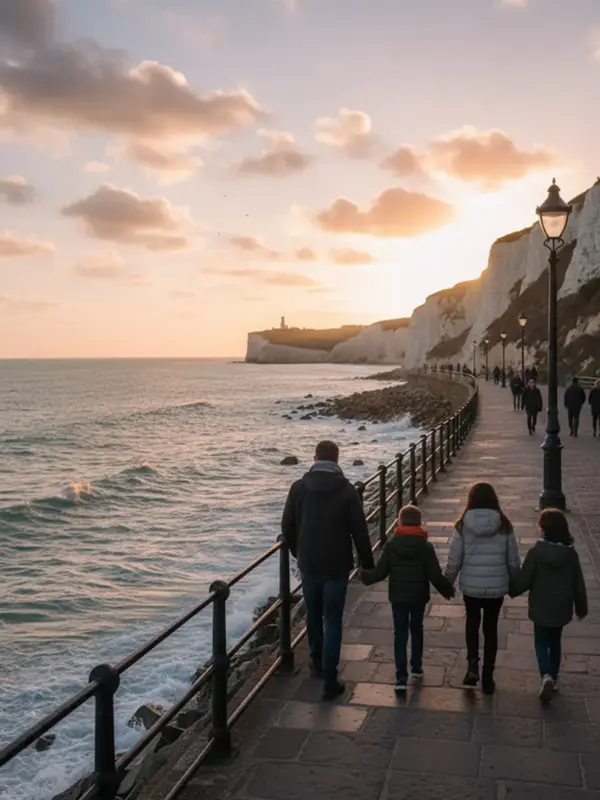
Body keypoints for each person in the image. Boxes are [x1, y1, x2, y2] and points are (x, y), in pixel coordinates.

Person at [281, 439, 374, 700]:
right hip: (337, 564)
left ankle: (316, 662)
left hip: (310, 563)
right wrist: (367, 565)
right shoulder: (346, 490)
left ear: (314, 457)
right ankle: (331, 679)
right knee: (333, 619)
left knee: (313, 612)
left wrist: (298, 552)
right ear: (336, 459)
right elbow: (360, 530)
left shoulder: (299, 488)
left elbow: (286, 526)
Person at [359, 505, 454, 694]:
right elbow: (434, 574)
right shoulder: (425, 547)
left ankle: (400, 677)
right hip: (419, 596)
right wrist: (447, 590)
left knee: (400, 634)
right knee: (417, 629)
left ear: (400, 522)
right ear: (419, 523)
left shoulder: (392, 545)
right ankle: (416, 668)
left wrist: (364, 576)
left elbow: (380, 572)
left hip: (398, 596)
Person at [445, 483, 520, 695]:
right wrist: (516, 583)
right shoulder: (505, 525)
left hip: (471, 586)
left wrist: (447, 583)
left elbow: (454, 561)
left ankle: (472, 665)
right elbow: (513, 561)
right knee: (491, 628)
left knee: (472, 623)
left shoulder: (462, 525)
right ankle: (488, 677)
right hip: (496, 587)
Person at [510, 509, 587, 704]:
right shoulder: (570, 554)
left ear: (543, 530)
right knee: (555, 641)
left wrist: (512, 590)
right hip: (562, 606)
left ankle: (545, 676)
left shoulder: (537, 552)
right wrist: (581, 606)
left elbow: (525, 578)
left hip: (541, 604)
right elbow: (578, 582)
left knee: (541, 642)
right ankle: (553, 676)